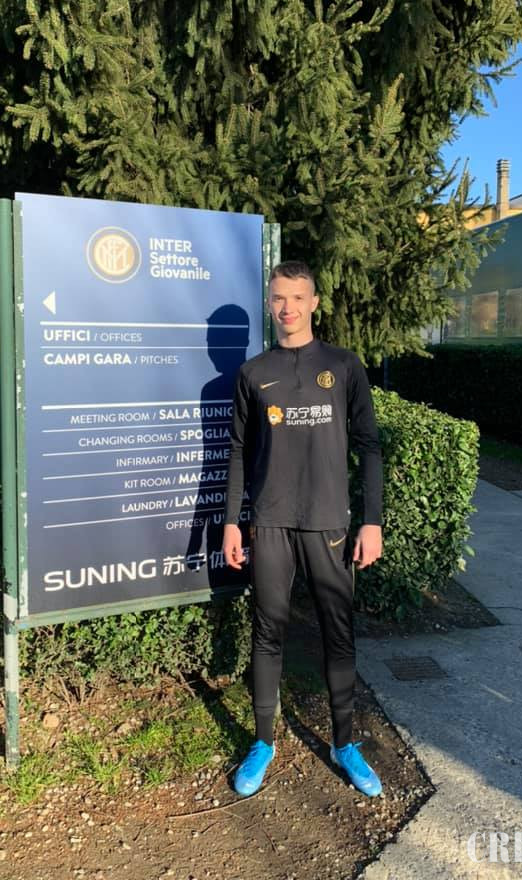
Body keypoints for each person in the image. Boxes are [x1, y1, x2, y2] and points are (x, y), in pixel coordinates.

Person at [222, 260, 383, 798]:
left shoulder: (343, 365)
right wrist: (231, 523)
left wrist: (372, 521)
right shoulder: (253, 373)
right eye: (278, 298)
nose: (287, 307)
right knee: (268, 631)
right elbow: (238, 451)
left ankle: (344, 742)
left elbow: (369, 446)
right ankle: (263, 742)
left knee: (338, 632)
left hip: (328, 523)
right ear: (269, 303)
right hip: (269, 522)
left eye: (297, 297)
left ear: (314, 302)